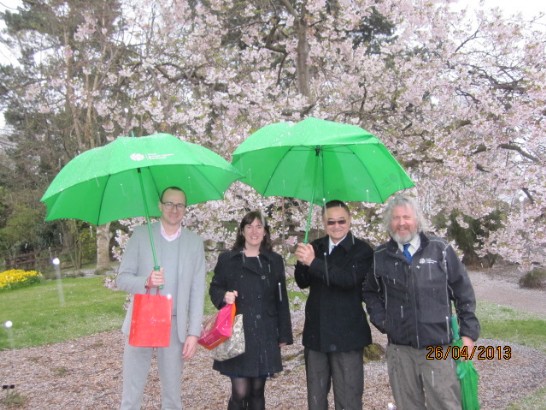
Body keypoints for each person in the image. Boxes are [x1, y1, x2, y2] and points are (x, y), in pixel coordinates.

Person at [363, 194, 480, 410]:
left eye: (406, 217)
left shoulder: (440, 250)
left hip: (438, 348)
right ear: (389, 223)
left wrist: (468, 334)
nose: (401, 223)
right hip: (401, 351)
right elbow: (370, 291)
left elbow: (463, 291)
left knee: (446, 404)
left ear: (417, 220)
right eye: (396, 218)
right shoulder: (381, 255)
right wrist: (384, 321)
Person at [116, 186, 206, 410]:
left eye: (179, 205)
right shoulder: (141, 235)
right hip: (142, 319)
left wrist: (193, 333)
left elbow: (197, 290)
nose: (174, 209)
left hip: (174, 324)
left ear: (185, 209)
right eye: (169, 204)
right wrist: (145, 281)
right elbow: (122, 279)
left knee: (173, 396)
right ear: (160, 206)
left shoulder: (194, 243)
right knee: (132, 393)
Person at [209, 210, 293, 410]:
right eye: (249, 226)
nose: (254, 231)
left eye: (259, 226)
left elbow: (281, 299)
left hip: (265, 331)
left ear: (265, 232)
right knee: (240, 391)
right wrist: (224, 297)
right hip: (239, 332)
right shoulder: (228, 259)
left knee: (257, 390)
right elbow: (215, 287)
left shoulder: (274, 261)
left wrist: (283, 333)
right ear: (242, 231)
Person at [294, 199, 373, 410]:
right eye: (331, 222)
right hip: (316, 334)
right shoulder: (316, 246)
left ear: (349, 221)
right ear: (323, 222)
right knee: (316, 398)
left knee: (348, 398)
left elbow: (347, 279)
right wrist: (302, 261)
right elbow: (302, 282)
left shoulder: (362, 250)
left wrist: (313, 262)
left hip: (347, 337)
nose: (336, 226)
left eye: (341, 221)